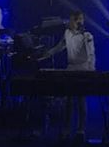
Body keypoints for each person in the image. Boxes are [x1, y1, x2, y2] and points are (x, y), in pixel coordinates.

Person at [39, 10, 94, 139]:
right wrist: (48, 53)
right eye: (74, 20)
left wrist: (92, 70)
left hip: (83, 69)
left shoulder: (87, 35)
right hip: (71, 68)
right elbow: (60, 47)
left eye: (78, 20)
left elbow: (91, 54)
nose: (76, 22)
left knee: (81, 99)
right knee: (68, 99)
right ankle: (67, 128)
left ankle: (81, 129)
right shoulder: (67, 34)